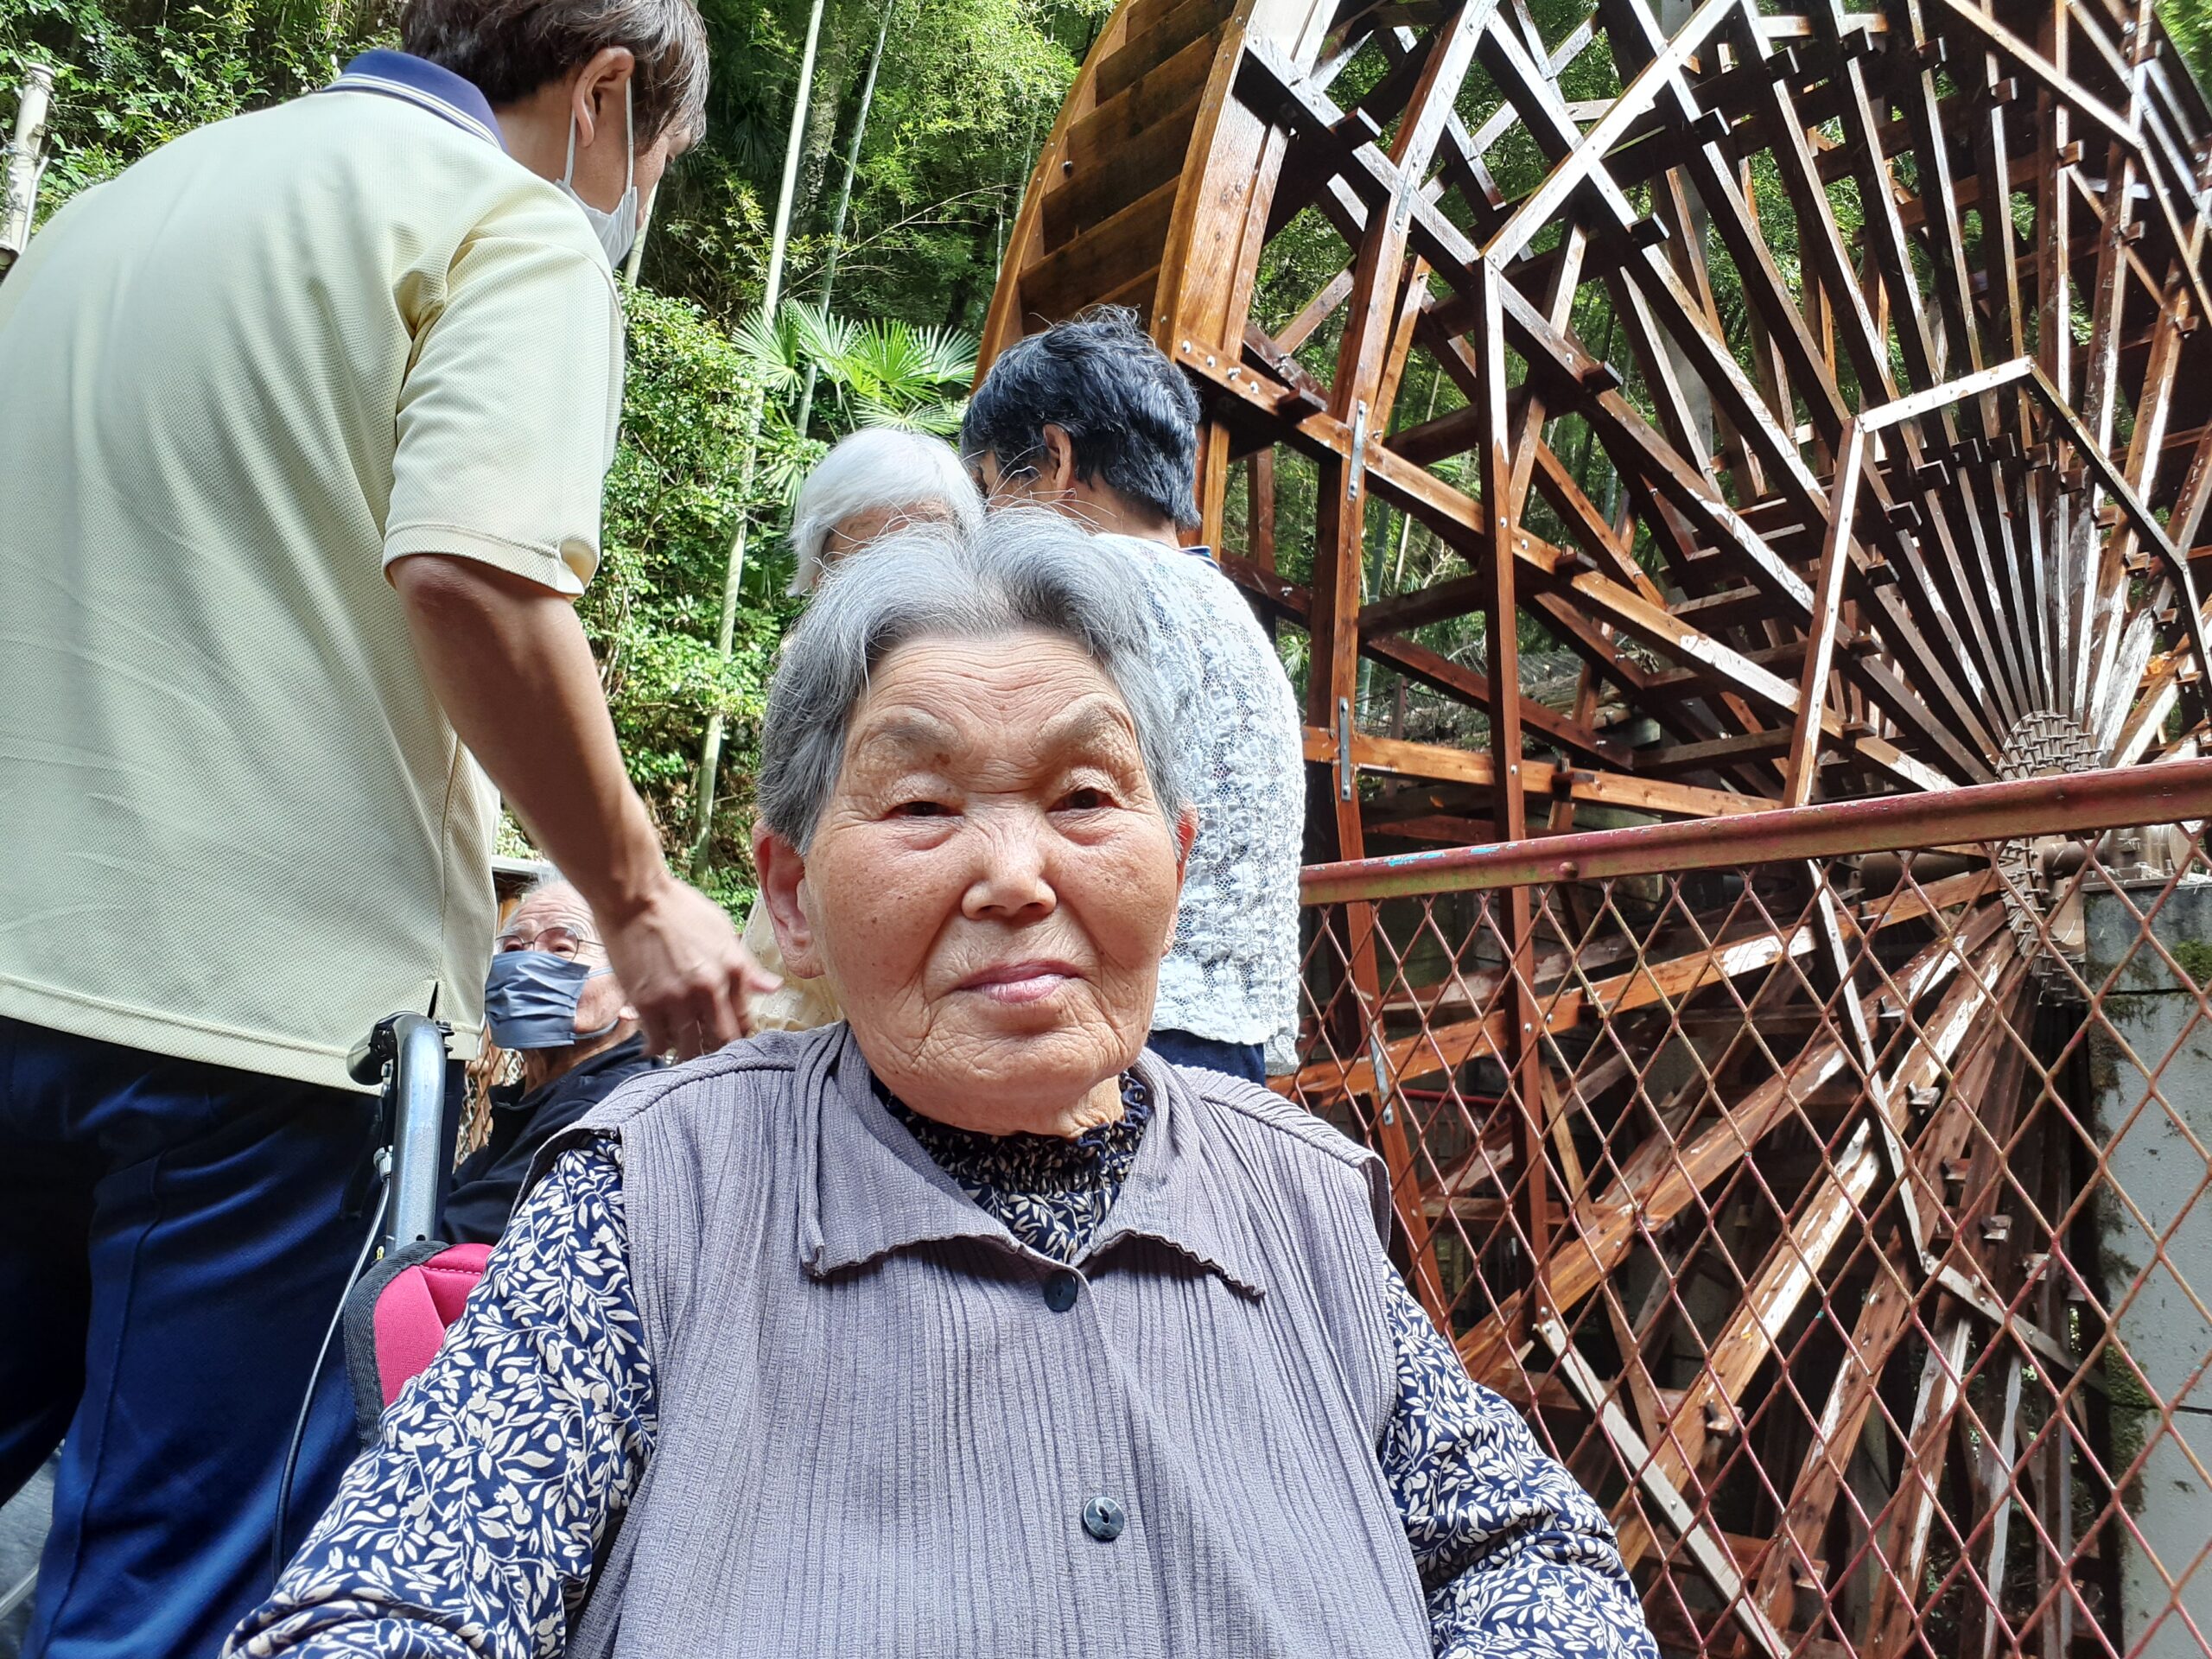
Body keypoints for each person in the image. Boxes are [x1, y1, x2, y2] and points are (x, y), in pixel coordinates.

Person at [226, 514, 1657, 1659]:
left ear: (1175, 859)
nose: (1017, 875)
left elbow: (1518, 1544)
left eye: (1084, 798)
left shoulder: (1306, 1197)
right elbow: (397, 1597)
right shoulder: (655, 1195)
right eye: (922, 806)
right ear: (792, 896)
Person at [0, 0, 773, 1650]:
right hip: (253, 1038)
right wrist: (638, 898)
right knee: (167, 1579)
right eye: (652, 161)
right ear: (605, 93)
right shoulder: (505, 226)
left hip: (18, 961)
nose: (632, 197)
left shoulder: (117, 210)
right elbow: (473, 579)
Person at [961, 307, 1304, 1084]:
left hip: (1116, 1035)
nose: (987, 523)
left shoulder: (1080, 594)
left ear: (1055, 458)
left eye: (991, 489)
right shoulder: (1230, 611)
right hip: (1236, 1040)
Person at [744, 427, 984, 1032]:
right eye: (869, 553)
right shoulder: (809, 665)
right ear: (821, 569)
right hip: (820, 949)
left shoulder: (997, 656)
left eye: (924, 545)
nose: (895, 578)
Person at [444, 880, 663, 1246]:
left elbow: (458, 1239)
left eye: (562, 948)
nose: (525, 966)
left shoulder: (604, 1113)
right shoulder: (537, 1104)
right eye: (513, 948)